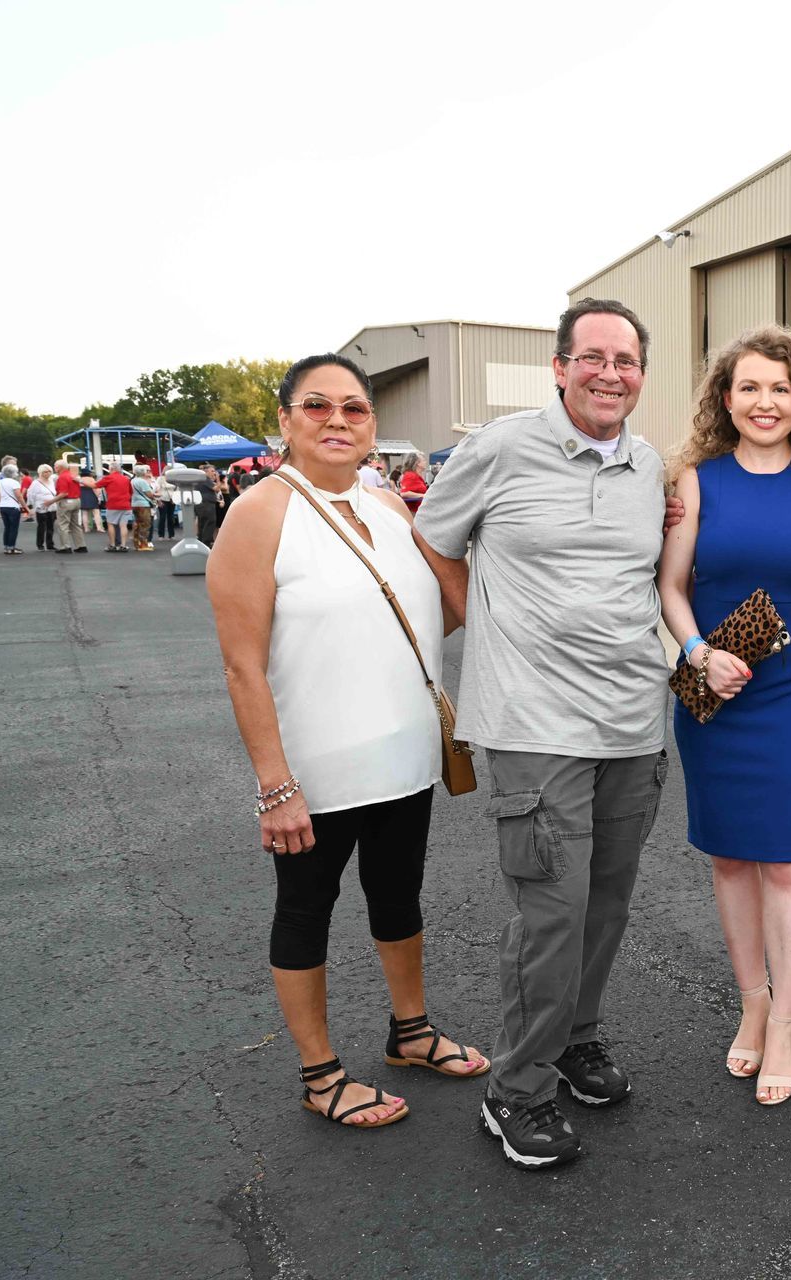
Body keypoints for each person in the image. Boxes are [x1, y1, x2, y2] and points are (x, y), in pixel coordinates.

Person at [414, 298, 668, 1171]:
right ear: (559, 367)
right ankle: (517, 1087)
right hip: (533, 726)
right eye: (592, 356)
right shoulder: (501, 447)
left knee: (605, 906)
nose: (609, 373)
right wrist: (483, 631)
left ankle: (576, 1040)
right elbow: (432, 538)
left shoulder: (648, 464)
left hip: (632, 722)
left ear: (641, 373)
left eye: (626, 360)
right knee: (551, 912)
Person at [207, 353, 488, 1134]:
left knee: (399, 895)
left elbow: (449, 606)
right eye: (318, 406)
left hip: (405, 757)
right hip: (316, 770)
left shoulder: (392, 505)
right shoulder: (260, 512)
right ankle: (321, 1072)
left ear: (372, 425)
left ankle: (410, 1032)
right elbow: (241, 664)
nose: (337, 420)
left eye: (355, 408)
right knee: (307, 909)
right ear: (286, 420)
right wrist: (276, 783)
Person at [657, 326, 791, 1107]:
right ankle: (754, 1003)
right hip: (714, 693)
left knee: (784, 859)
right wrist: (701, 653)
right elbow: (670, 585)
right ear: (725, 400)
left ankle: (789, 1020)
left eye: (780, 387)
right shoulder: (695, 479)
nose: (765, 402)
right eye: (749, 388)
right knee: (730, 858)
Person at [95, 465, 133, 552]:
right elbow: (131, 492)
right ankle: (123, 545)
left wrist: (81, 481)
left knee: (111, 524)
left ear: (112, 469)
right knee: (123, 525)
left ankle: (112, 545)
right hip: (125, 505)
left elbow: (95, 485)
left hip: (113, 505)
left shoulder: (108, 478)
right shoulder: (126, 479)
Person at [52, 461, 86, 553]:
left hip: (66, 501)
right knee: (75, 525)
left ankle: (65, 546)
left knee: (63, 525)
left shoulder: (62, 477)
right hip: (76, 500)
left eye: (55, 466)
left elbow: (63, 493)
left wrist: (51, 501)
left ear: (60, 467)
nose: (54, 468)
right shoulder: (72, 475)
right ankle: (81, 545)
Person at [28, 463, 59, 551]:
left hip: (52, 507)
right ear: (41, 472)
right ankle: (40, 545)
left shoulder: (52, 481)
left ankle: (50, 544)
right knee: (41, 526)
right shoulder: (35, 483)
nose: (48, 473)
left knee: (51, 526)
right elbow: (31, 495)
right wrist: (31, 507)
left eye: (49, 471)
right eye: (45, 472)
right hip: (40, 507)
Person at [0, 464, 26, 555]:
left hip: (3, 507)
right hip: (13, 507)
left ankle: (6, 547)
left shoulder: (0, 482)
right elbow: (19, 496)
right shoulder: (15, 483)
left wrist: (2, 502)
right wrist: (25, 507)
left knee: (7, 527)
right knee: (13, 528)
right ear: (13, 473)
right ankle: (11, 547)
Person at [130, 464, 156, 551]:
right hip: (143, 504)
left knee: (137, 523)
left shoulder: (132, 481)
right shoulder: (142, 481)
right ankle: (143, 544)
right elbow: (149, 494)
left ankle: (136, 543)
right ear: (143, 472)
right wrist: (155, 496)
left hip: (134, 503)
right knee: (145, 524)